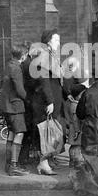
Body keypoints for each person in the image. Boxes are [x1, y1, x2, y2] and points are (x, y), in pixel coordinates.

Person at [30, 29, 64, 175]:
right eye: (56, 40)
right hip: (45, 100)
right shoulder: (43, 55)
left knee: (51, 130)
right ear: (49, 41)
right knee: (45, 131)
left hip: (53, 98)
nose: (59, 43)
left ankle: (47, 159)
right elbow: (44, 80)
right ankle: (43, 163)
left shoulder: (50, 55)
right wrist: (50, 101)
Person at [0, 43, 30, 176]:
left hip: (6, 105)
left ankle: (8, 163)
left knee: (12, 132)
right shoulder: (17, 68)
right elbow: (20, 90)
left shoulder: (8, 65)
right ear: (23, 56)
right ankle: (14, 165)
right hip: (15, 106)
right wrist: (28, 99)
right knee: (19, 133)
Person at [63, 83, 87, 168]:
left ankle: (72, 161)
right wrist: (78, 131)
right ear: (77, 95)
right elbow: (75, 119)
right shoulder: (75, 105)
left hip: (71, 128)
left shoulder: (68, 102)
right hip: (75, 130)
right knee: (77, 147)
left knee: (74, 146)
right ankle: (77, 162)